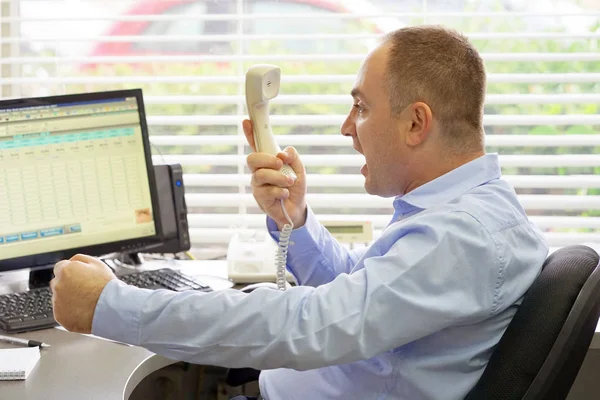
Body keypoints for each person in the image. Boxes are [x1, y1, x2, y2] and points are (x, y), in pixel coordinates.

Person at [51, 25, 549, 400]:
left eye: (362, 108)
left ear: (416, 122)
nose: (346, 127)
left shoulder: (461, 238)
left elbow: (308, 323)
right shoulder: (465, 211)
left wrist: (109, 306)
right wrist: (297, 221)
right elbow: (364, 290)